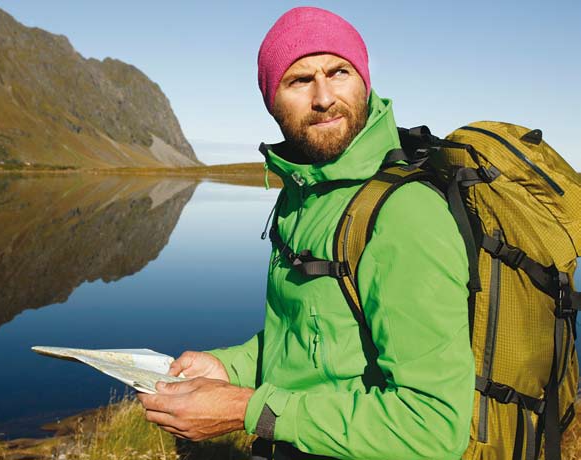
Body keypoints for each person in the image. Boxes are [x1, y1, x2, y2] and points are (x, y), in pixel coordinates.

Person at [138, 7, 475, 459]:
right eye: (299, 80)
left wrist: (249, 410)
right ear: (271, 99)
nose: (324, 97)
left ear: (364, 81)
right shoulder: (303, 196)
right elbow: (309, 343)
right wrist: (228, 366)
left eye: (339, 72)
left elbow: (431, 429)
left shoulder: (404, 213)